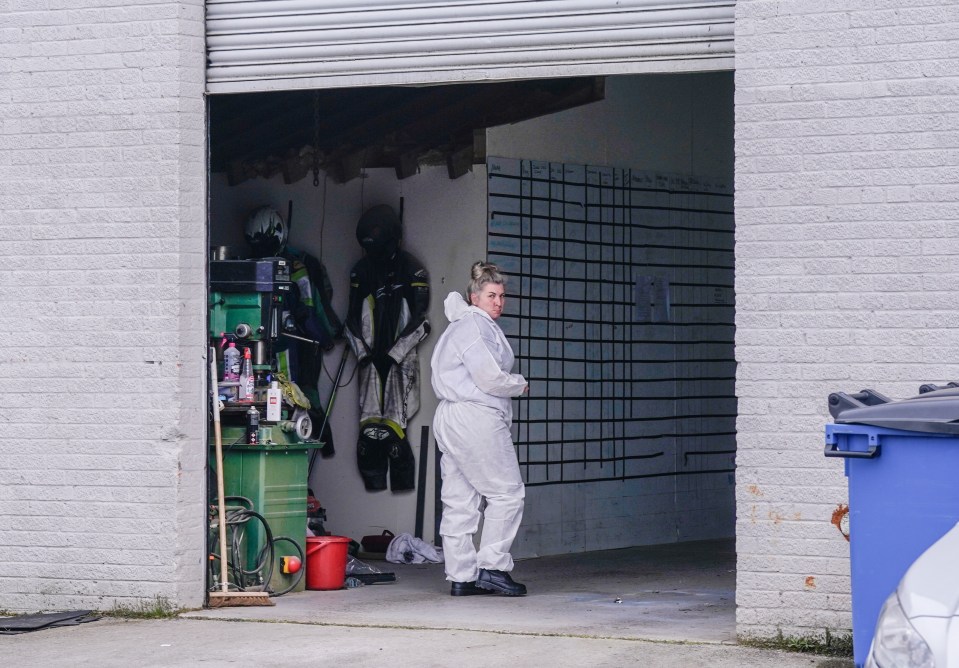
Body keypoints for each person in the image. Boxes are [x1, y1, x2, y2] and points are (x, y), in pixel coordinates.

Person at [430, 261, 529, 597]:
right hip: (475, 417)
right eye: (491, 295)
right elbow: (488, 378)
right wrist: (518, 384)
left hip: (452, 416)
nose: (498, 301)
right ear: (475, 297)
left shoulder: (461, 326)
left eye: (501, 295)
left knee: (460, 500)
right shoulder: (475, 327)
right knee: (507, 493)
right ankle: (493, 568)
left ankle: (461, 575)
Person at [344, 205, 430, 492]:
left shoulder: (412, 268)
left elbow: (421, 321)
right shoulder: (361, 270)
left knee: (394, 434)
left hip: (400, 360)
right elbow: (351, 319)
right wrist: (362, 354)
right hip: (368, 359)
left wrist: (395, 354)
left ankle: (402, 486)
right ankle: (374, 484)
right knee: (369, 436)